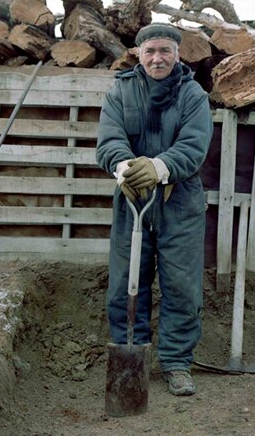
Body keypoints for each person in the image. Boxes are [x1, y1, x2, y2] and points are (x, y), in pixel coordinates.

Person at [96, 23, 214, 396]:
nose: (157, 58)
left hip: (179, 202)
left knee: (181, 286)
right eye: (150, 51)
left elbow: (194, 145)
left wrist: (160, 167)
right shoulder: (121, 90)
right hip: (132, 200)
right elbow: (109, 140)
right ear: (139, 54)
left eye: (165, 51)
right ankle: (132, 358)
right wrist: (125, 168)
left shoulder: (193, 94)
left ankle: (177, 363)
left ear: (177, 54)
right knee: (125, 285)